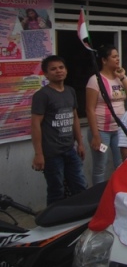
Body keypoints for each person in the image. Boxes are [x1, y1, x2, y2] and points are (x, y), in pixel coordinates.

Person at [31, 55, 87, 205]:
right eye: (53, 69)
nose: (58, 71)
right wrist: (38, 154)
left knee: (80, 185)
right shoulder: (42, 95)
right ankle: (55, 223)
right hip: (51, 153)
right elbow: (35, 124)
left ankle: (79, 218)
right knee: (57, 190)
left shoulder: (70, 91)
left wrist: (80, 144)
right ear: (46, 74)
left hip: (70, 149)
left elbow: (74, 117)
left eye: (61, 68)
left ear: (66, 70)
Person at [86, 45, 127, 185]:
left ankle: (119, 192)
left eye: (118, 56)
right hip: (102, 131)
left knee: (120, 163)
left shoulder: (120, 77)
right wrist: (96, 136)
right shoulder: (95, 80)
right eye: (114, 57)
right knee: (100, 165)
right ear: (104, 60)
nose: (117, 59)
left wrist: (123, 78)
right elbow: (89, 109)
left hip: (120, 130)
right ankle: (97, 199)